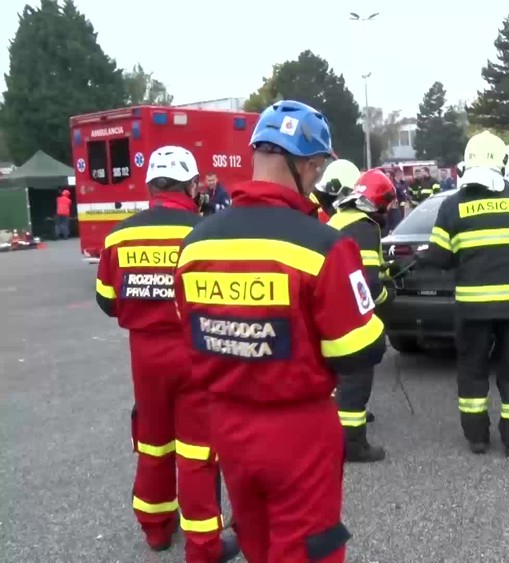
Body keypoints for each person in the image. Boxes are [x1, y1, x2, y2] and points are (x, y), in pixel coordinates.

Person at [173, 100, 386, 562]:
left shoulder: (195, 243)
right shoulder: (323, 245)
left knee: (257, 541)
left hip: (227, 427)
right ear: (307, 164)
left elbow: (192, 331)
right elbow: (360, 350)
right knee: (309, 548)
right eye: (317, 168)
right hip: (299, 431)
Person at [95, 146, 239, 562]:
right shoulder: (204, 231)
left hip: (144, 355)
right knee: (197, 452)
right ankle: (204, 547)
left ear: (150, 185)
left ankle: (156, 530)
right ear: (192, 186)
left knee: (153, 442)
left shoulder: (120, 234)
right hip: (194, 352)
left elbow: (106, 300)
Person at [390, 131, 509, 457]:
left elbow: (441, 256)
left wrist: (416, 258)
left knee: (473, 370)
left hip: (473, 310)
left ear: (468, 163)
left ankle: (477, 438)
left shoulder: (452, 207)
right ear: (502, 163)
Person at [327, 168, 397, 462]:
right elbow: (367, 281)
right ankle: (353, 445)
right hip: (350, 314)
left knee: (338, 376)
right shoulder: (366, 226)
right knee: (358, 373)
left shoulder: (340, 217)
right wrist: (386, 296)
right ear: (377, 203)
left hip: (328, 305)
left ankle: (336, 427)